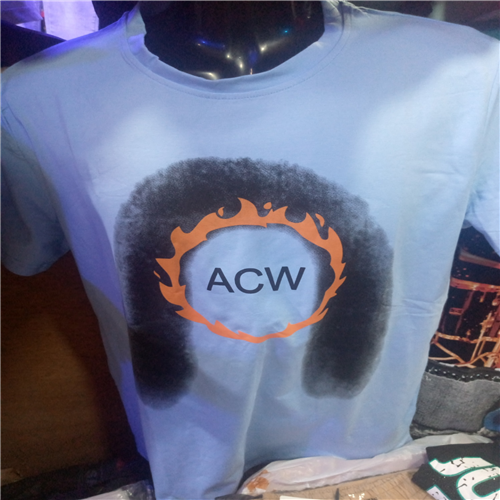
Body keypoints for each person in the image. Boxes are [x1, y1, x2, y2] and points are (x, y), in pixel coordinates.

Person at [1, 1, 498, 498]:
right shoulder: (35, 98)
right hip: (188, 474)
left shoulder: (468, 74)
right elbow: (28, 256)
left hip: (365, 474)